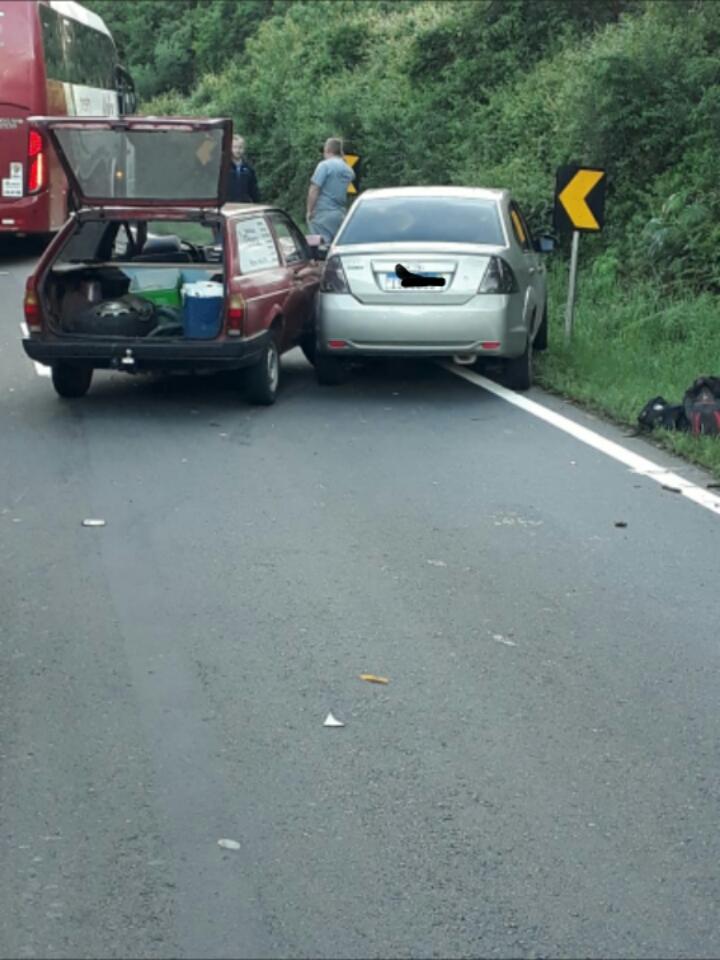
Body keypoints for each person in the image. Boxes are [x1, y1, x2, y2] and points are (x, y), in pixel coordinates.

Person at [306, 137, 355, 243]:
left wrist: (309, 211)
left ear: (327, 149)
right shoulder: (349, 170)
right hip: (340, 214)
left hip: (322, 213)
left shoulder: (324, 166)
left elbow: (315, 188)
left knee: (320, 246)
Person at [227, 135, 260, 203]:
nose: (238, 150)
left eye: (240, 147)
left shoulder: (249, 168)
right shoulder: (224, 167)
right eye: (235, 147)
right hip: (228, 204)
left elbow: (254, 190)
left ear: (244, 149)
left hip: (244, 205)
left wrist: (257, 203)